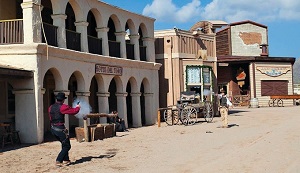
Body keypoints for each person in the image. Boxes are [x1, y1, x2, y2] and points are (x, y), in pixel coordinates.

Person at [48, 92, 81, 167]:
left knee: (64, 143)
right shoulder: (63, 107)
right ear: (63, 100)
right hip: (60, 129)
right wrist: (78, 107)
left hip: (53, 128)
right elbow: (74, 111)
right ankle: (59, 160)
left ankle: (66, 159)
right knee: (67, 146)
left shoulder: (50, 107)